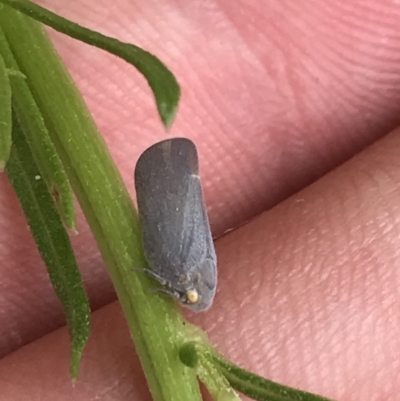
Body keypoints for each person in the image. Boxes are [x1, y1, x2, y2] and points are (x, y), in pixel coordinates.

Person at [1, 1, 399, 399]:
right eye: (189, 296)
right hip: (174, 242)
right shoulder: (188, 281)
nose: (187, 302)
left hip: (172, 246)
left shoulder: (193, 285)